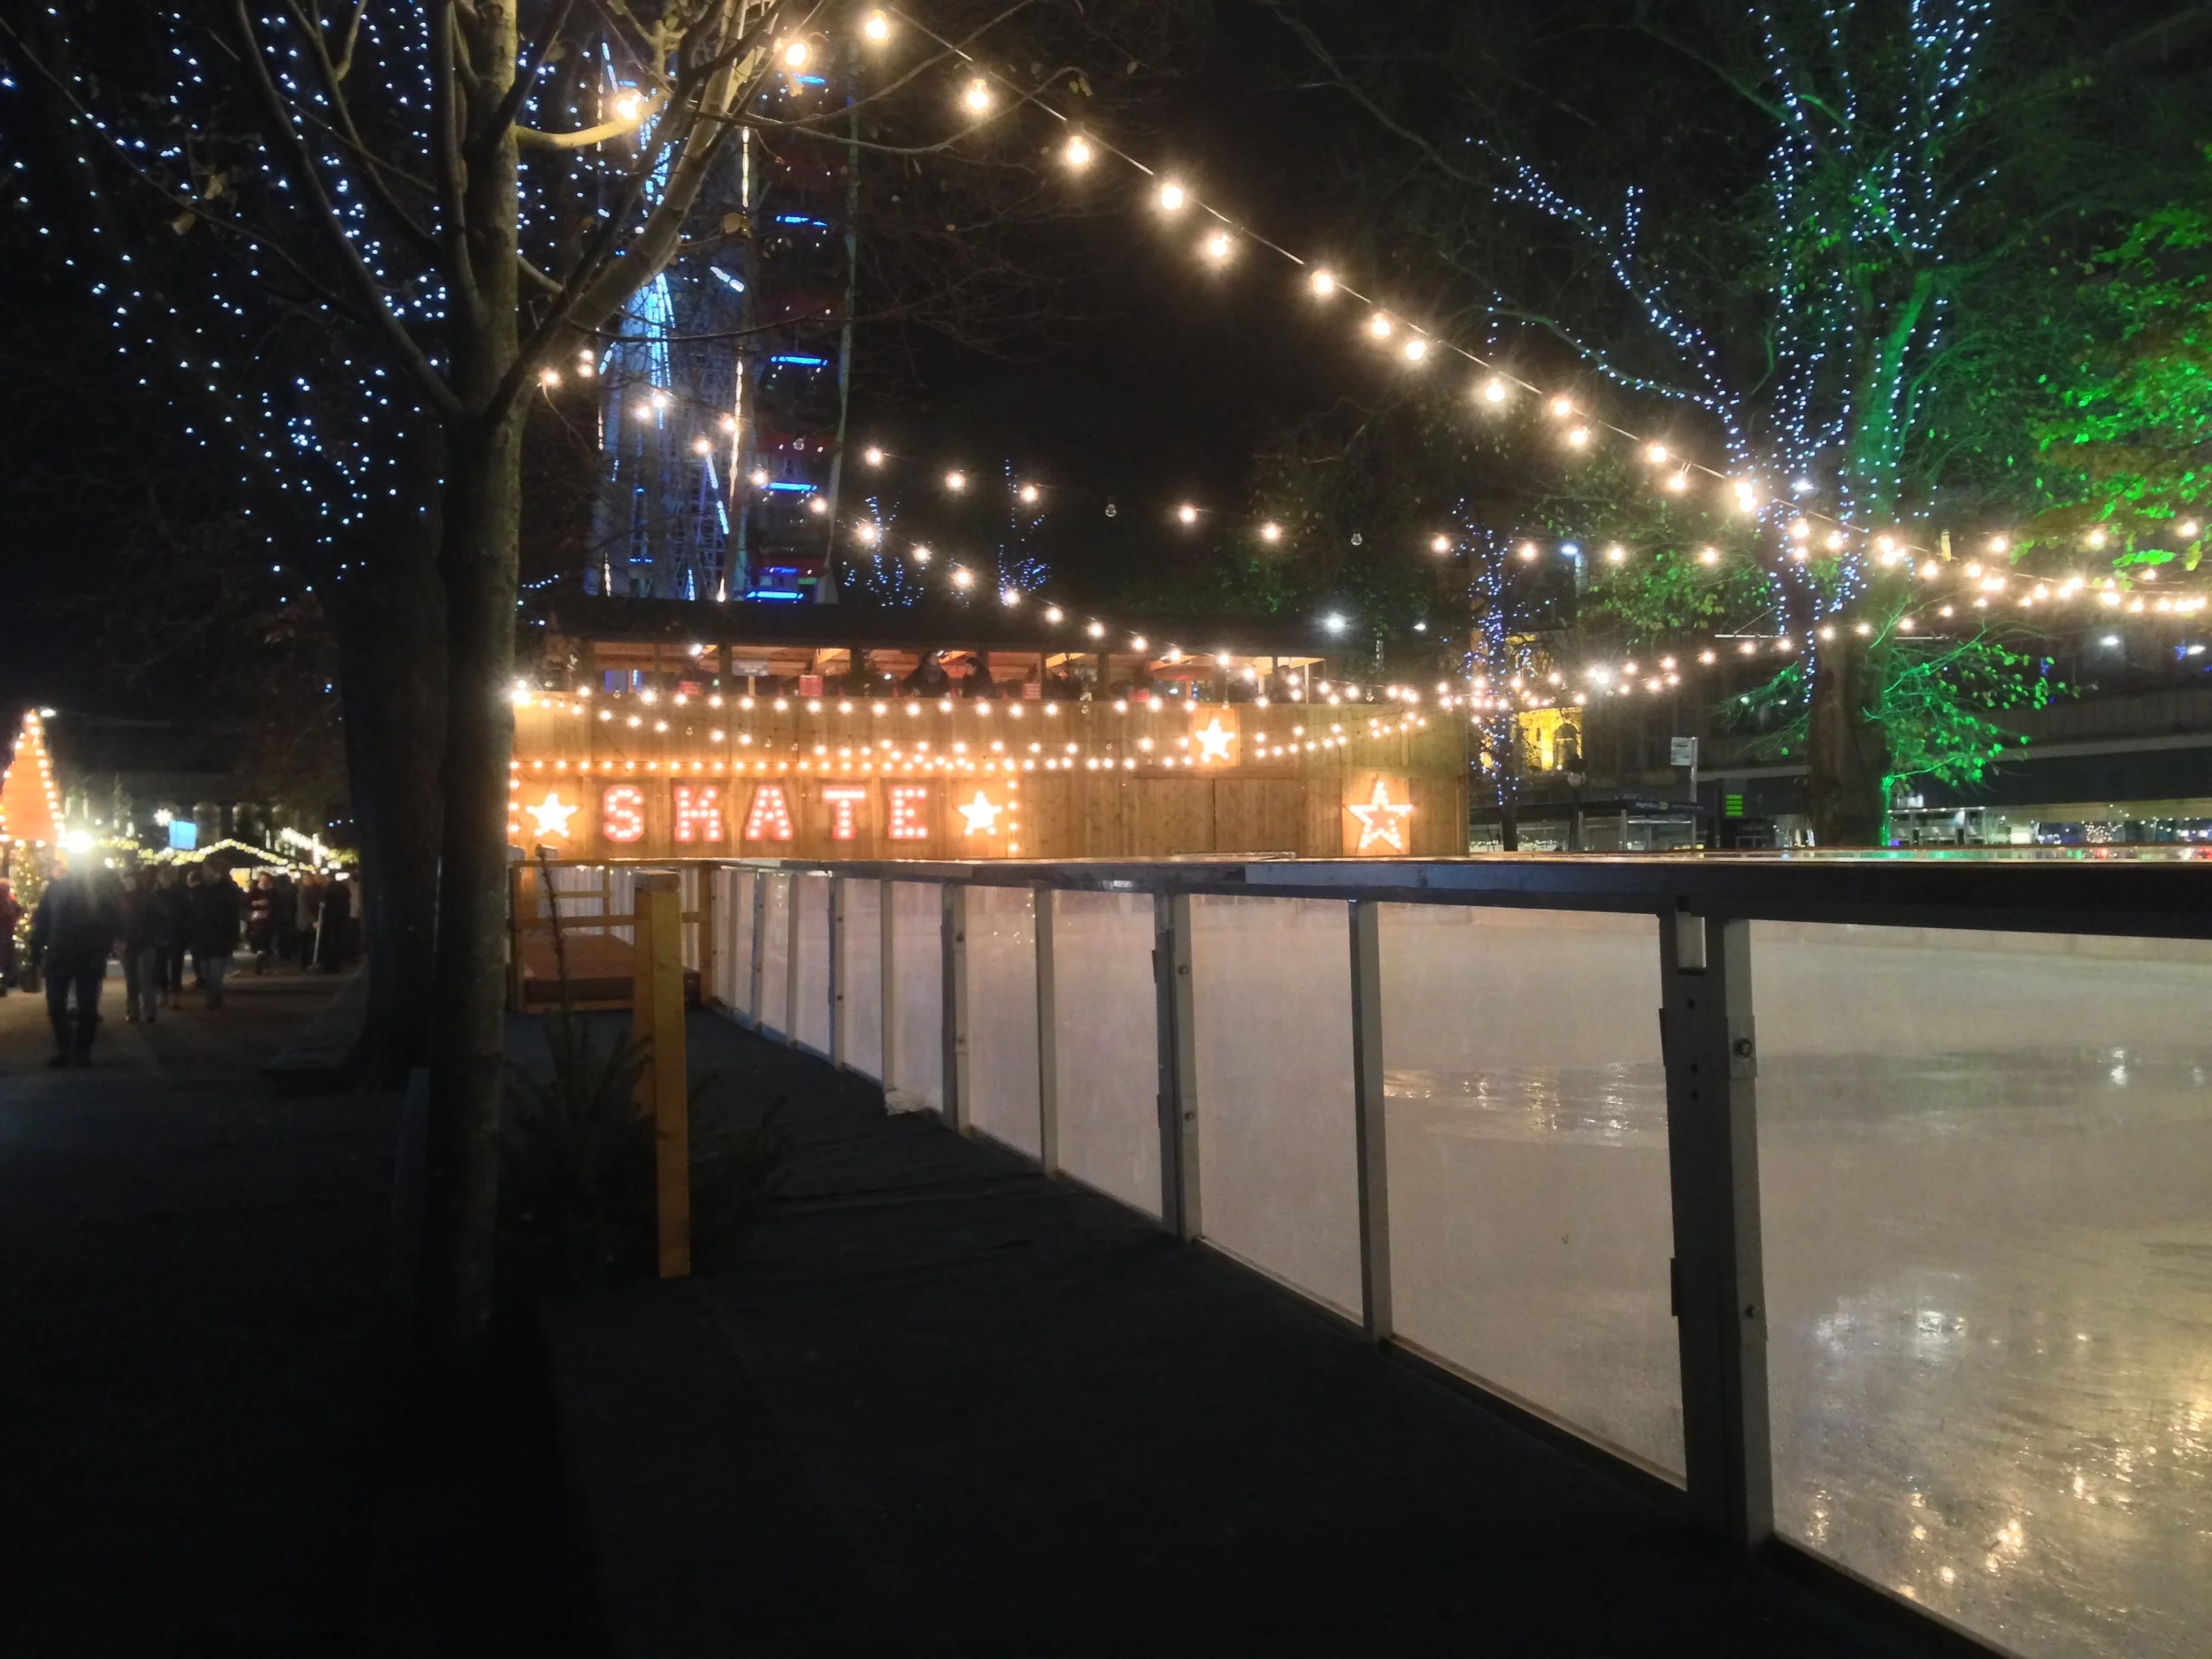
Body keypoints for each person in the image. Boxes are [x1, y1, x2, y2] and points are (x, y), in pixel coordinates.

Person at [28, 861, 121, 1066]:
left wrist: (103, 946)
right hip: (66, 955)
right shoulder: (57, 889)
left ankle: (78, 1050)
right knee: (61, 1004)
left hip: (81, 955)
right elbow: (43, 920)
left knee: (83, 1006)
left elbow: (112, 921)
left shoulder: (97, 893)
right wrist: (36, 946)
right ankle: (71, 1049)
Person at [188, 866, 242, 1009]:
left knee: (215, 971)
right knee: (206, 971)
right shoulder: (198, 893)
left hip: (218, 937)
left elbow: (232, 915)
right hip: (203, 937)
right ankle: (213, 995)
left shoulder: (226, 892)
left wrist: (232, 934)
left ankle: (214, 997)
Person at [119, 867, 161, 1024]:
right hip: (142, 942)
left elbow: (120, 921)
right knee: (142, 979)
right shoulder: (149, 897)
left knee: (136, 979)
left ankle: (135, 1011)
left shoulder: (126, 898)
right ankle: (146, 1011)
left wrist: (122, 938)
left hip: (137, 943)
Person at [154, 866, 188, 1009]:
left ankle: (169, 996)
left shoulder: (172, 894)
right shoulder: (159, 894)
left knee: (169, 966)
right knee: (168, 966)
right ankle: (170, 996)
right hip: (168, 934)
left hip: (171, 933)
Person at [247, 872, 276, 973]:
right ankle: (260, 966)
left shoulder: (272, 891)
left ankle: (263, 964)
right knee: (260, 941)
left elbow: (277, 904)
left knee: (266, 943)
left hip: (269, 920)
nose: (264, 882)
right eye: (262, 879)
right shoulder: (254, 891)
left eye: (266, 880)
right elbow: (247, 903)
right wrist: (257, 903)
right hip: (257, 920)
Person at [294, 872, 323, 968]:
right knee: (305, 944)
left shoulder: (313, 890)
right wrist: (313, 921)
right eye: (306, 879)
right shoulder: (303, 892)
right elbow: (304, 908)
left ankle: (309, 962)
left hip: (309, 921)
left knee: (310, 943)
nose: (309, 881)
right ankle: (306, 963)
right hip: (305, 922)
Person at [0, 877, 20, 996]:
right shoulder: (8, 900)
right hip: (7, 934)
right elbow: (17, 910)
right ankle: (6, 983)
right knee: (5, 959)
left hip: (4, 934)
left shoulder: (8, 899)